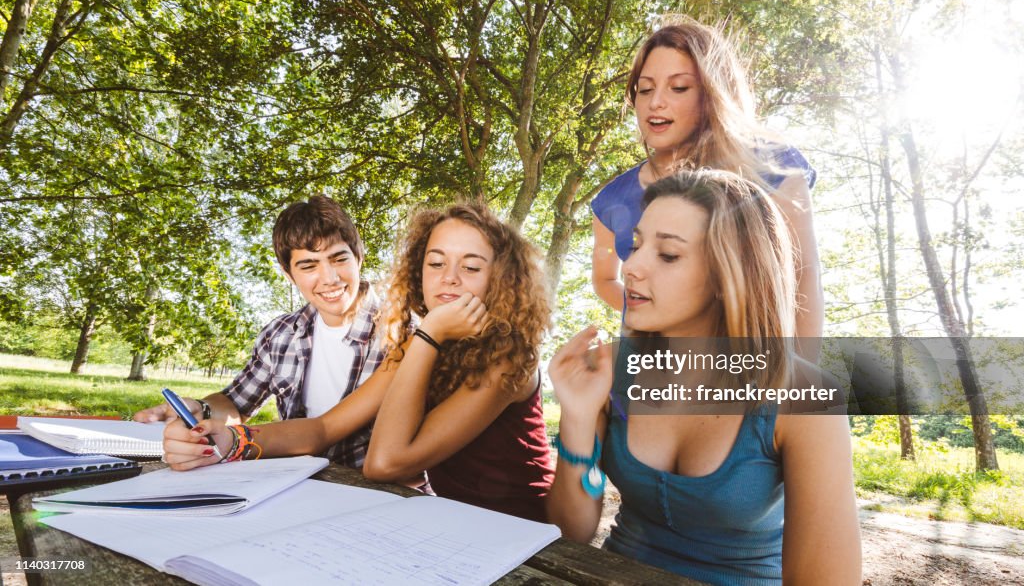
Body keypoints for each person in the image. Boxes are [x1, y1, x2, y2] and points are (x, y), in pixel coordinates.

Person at [549, 170, 860, 585]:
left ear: (727, 275)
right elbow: (573, 531)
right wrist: (578, 418)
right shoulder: (613, 368)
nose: (632, 267)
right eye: (638, 245)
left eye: (668, 255)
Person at [162, 203, 555, 523]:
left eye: (470, 267)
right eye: (436, 264)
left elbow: (385, 463)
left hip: (514, 533)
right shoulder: (423, 342)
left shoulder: (506, 356)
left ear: (501, 278)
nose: (449, 279)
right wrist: (236, 439)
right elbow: (323, 428)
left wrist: (428, 334)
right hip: (443, 520)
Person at [590, 16, 823, 347]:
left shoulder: (774, 165)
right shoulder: (612, 200)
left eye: (679, 87)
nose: (655, 102)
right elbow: (604, 279)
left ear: (713, 92)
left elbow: (804, 276)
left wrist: (797, 378)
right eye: (645, 89)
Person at [135, 195, 386, 468]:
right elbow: (235, 405)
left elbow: (322, 431)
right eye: (309, 265)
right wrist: (202, 409)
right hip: (296, 484)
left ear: (358, 256)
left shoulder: (399, 333)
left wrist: (235, 441)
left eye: (338, 259)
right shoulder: (280, 334)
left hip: (377, 492)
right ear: (289, 274)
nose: (329, 278)